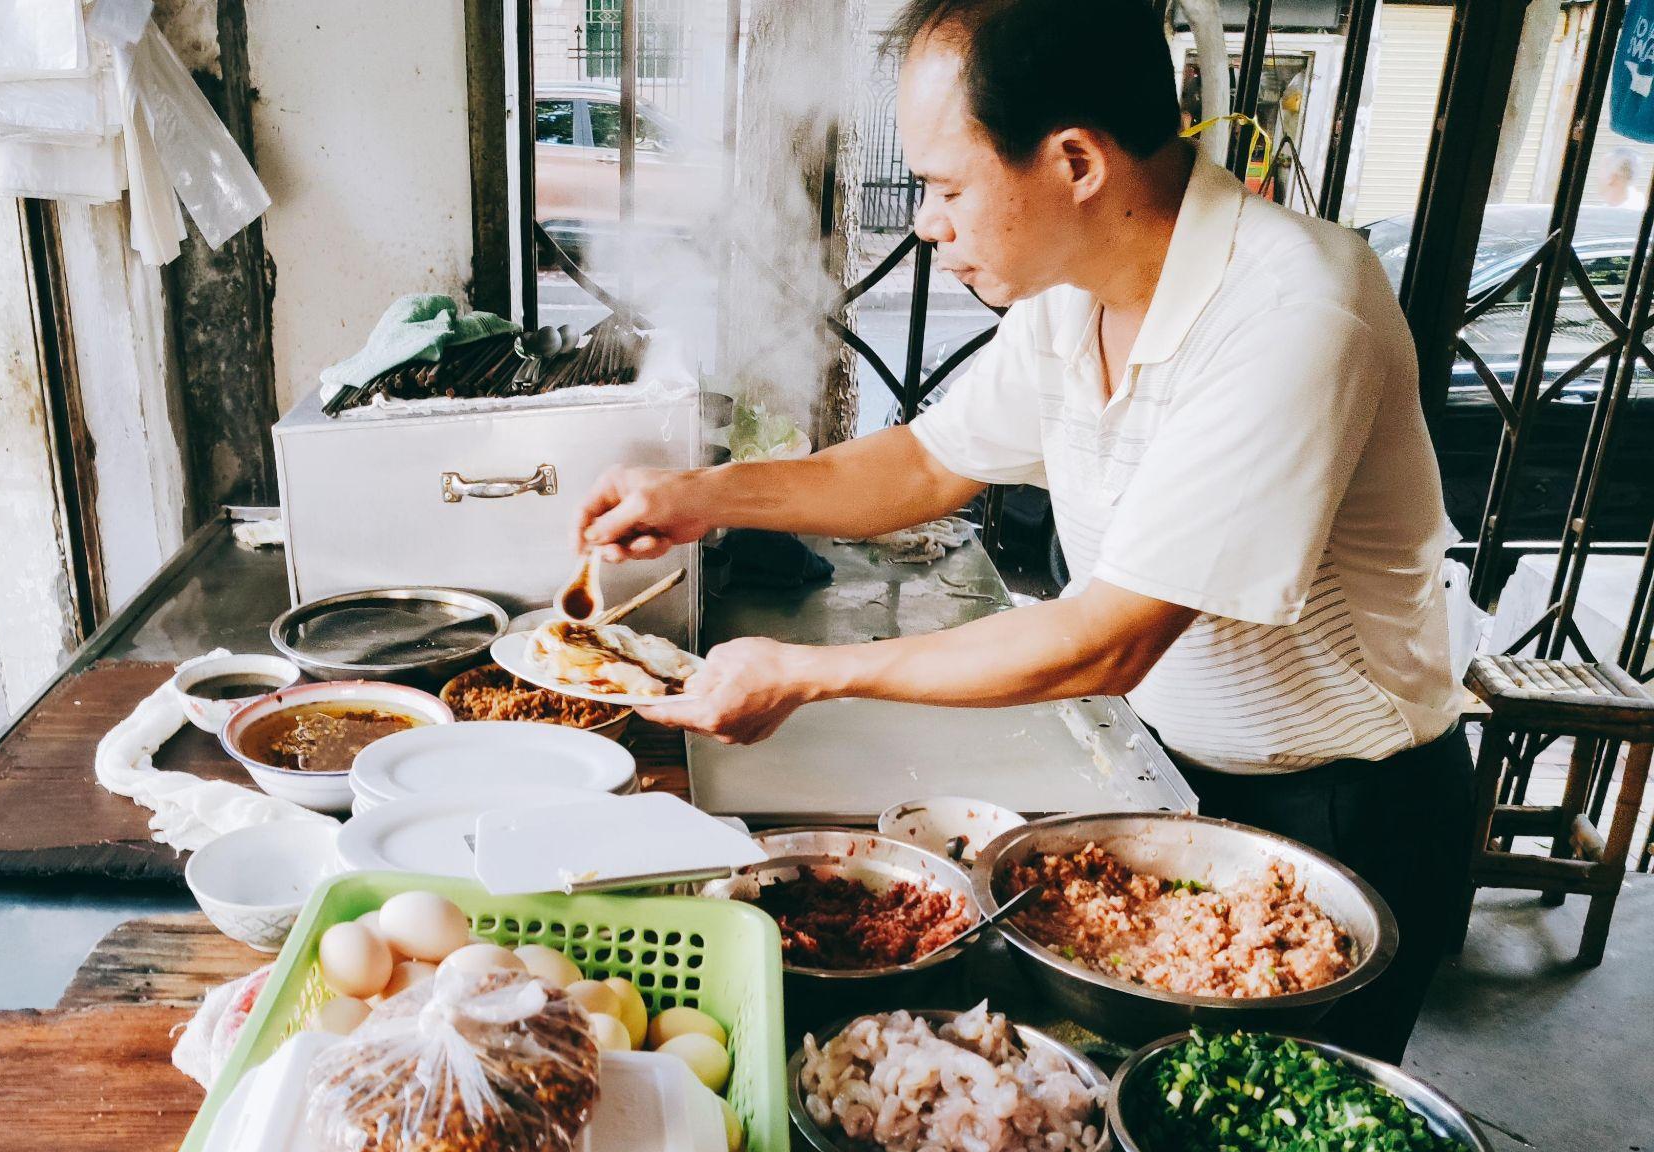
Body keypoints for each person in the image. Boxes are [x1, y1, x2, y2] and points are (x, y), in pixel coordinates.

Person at [572, 0, 1471, 1063]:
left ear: (1076, 161)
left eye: (946, 187)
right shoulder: (1068, 298)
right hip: (1165, 781)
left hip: (1336, 813)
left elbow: (1110, 637)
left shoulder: (1291, 316)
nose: (925, 222)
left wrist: (807, 673)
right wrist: (697, 495)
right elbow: (922, 463)